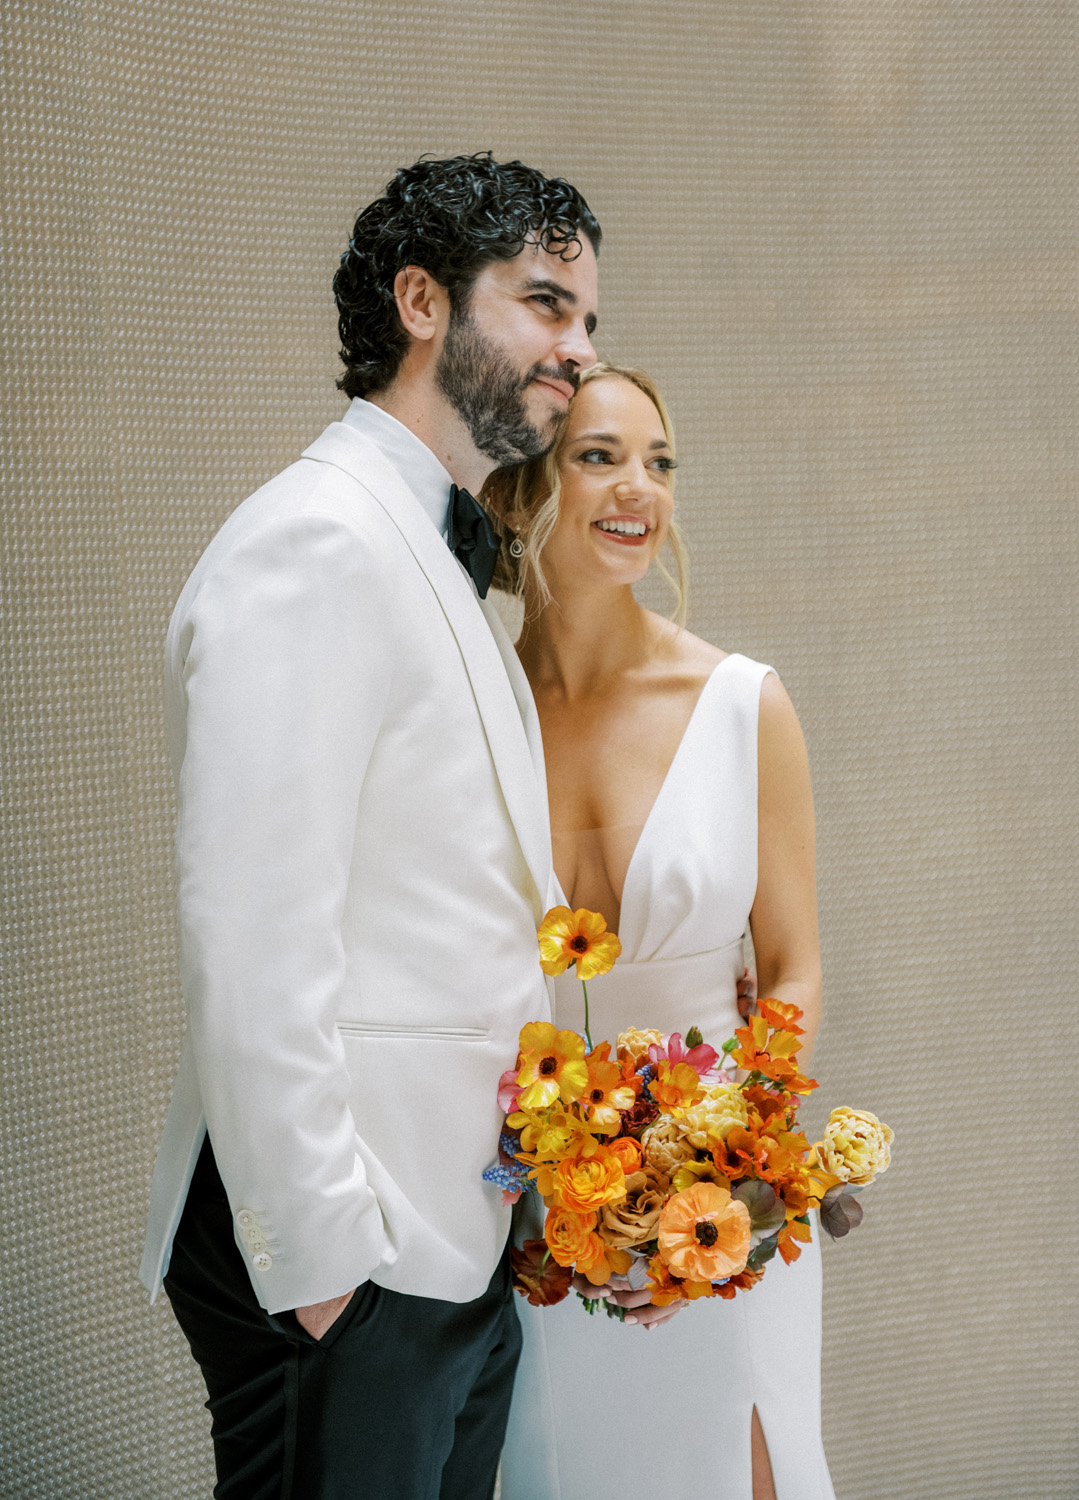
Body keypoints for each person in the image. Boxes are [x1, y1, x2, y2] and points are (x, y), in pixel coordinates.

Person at [138, 153, 600, 1499]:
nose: (576, 351)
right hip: (348, 1264)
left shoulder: (435, 550)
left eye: (588, 321)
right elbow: (253, 932)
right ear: (420, 302)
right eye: (544, 305)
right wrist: (330, 1269)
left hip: (450, 1241)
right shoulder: (315, 543)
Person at [484, 362, 835, 1499]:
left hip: (714, 1197)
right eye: (599, 457)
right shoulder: (469, 715)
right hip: (531, 1212)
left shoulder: (742, 705)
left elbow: (793, 965)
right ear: (518, 490)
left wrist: (728, 1184)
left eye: (660, 462)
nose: (641, 488)